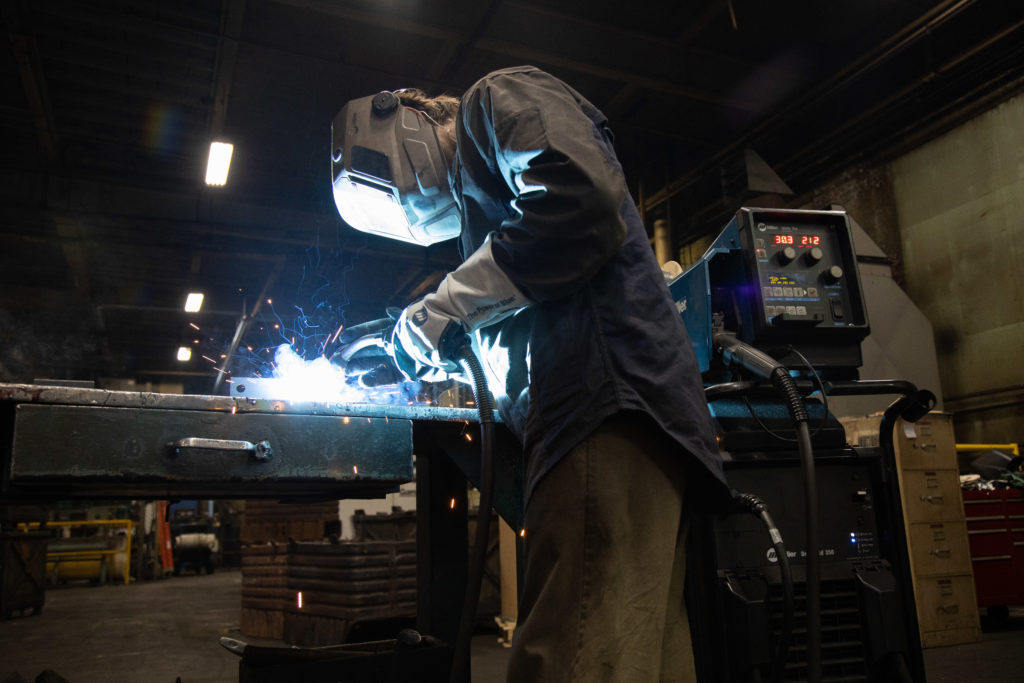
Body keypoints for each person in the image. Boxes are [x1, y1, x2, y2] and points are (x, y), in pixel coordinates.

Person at [331, 65, 731, 682]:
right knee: (632, 656)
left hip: (603, 413)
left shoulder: (498, 98)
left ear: (404, 131)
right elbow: (515, 321)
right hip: (610, 425)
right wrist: (424, 346)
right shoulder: (484, 230)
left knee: (570, 658)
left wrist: (445, 304)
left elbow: (578, 200)